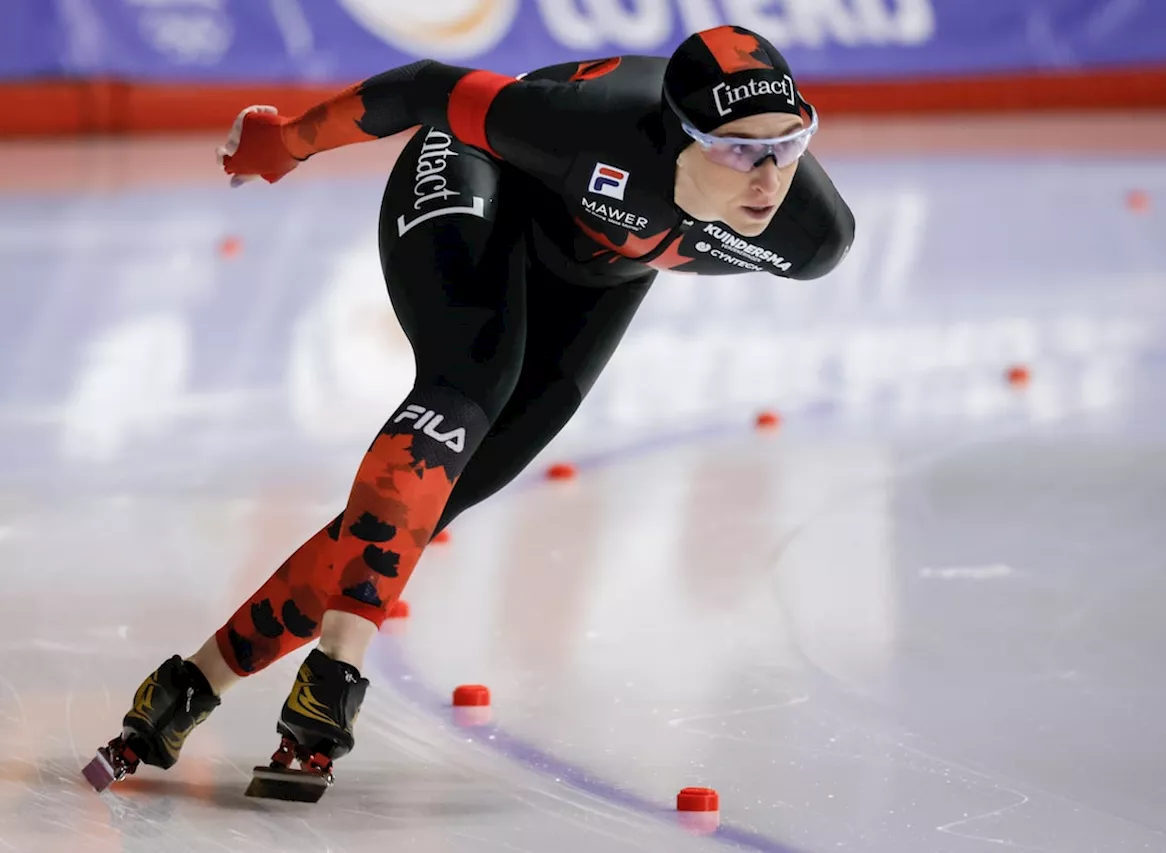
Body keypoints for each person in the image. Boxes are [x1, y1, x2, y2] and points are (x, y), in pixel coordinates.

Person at [83, 24, 855, 792]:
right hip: (477, 173)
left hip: (597, 276)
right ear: (672, 135)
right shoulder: (589, 127)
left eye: (788, 145)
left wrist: (740, 170)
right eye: (736, 149)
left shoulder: (809, 235)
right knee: (469, 380)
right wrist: (289, 141)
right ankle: (337, 670)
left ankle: (189, 686)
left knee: (441, 496)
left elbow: (720, 200)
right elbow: (424, 88)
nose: (767, 178)